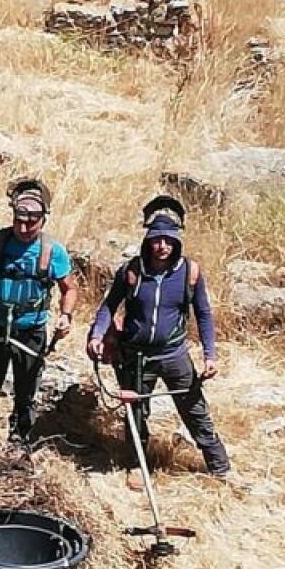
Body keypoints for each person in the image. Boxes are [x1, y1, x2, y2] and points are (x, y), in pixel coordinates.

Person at [87, 196, 231, 483]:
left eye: (168, 240)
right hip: (137, 356)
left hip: (173, 354)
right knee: (136, 413)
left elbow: (203, 313)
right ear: (148, 240)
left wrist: (209, 354)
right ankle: (137, 464)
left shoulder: (190, 273)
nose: (162, 246)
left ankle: (219, 466)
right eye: (156, 239)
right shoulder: (132, 271)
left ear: (177, 241)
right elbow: (108, 305)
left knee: (193, 408)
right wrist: (97, 334)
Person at [0, 178, 78, 445]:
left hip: (30, 330)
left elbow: (69, 289)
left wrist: (65, 316)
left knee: (26, 392)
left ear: (43, 218)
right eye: (19, 220)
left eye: (31, 222)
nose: (23, 228)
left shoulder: (52, 251)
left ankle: (20, 442)